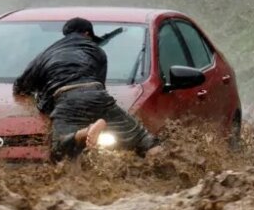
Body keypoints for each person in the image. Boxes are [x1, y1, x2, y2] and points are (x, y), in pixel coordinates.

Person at [13, 17, 162, 161]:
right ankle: (163, 168)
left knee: (58, 150)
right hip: (97, 94)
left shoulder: (46, 54)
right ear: (86, 34)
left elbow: (20, 86)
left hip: (66, 99)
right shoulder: (97, 51)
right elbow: (100, 85)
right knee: (143, 138)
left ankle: (85, 132)